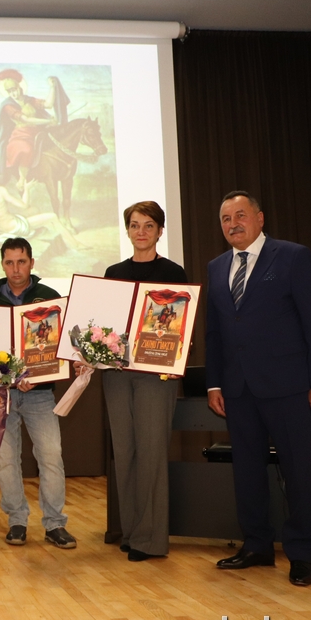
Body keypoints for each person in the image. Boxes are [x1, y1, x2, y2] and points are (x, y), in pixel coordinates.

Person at [206, 191, 311, 587]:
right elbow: (215, 333)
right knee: (247, 473)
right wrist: (214, 382)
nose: (232, 224)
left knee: (298, 473)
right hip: (238, 390)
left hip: (288, 387)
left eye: (240, 215)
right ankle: (257, 546)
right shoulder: (216, 267)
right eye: (225, 218)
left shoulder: (292, 256)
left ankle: (302, 554)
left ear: (260, 218)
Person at [102, 201, 188, 562]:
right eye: (134, 225)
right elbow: (102, 323)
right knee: (125, 453)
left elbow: (183, 323)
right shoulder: (113, 271)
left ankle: (150, 540)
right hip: (117, 374)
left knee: (151, 452)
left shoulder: (174, 272)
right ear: (127, 230)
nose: (141, 231)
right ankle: (133, 530)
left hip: (156, 374)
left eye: (148, 225)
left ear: (159, 231)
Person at [0, 237, 77, 548]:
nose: (16, 268)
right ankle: (17, 521)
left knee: (51, 456)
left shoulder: (50, 299)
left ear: (32, 263)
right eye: (9, 262)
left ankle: (54, 524)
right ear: (2, 264)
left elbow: (63, 349)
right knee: (5, 460)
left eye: (21, 261)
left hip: (40, 394)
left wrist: (43, 374)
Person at [0, 167, 87, 249]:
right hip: (14, 227)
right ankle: (76, 244)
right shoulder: (0, 190)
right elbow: (23, 204)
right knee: (53, 217)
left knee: (34, 210)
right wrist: (27, 189)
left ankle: (48, 230)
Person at [0, 71, 68, 192]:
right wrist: (47, 121)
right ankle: (22, 180)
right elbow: (26, 119)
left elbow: (48, 104)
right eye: (10, 91)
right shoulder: (7, 105)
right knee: (26, 149)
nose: (13, 93)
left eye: (14, 90)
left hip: (37, 132)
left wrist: (52, 87)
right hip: (21, 135)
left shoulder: (29, 100)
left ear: (19, 88)